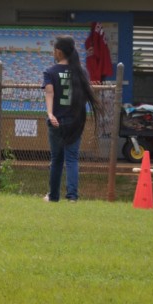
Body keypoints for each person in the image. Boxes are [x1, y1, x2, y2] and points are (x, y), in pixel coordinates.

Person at [42, 35, 103, 203]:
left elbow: (49, 92)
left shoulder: (50, 71)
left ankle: (53, 196)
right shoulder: (81, 71)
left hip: (56, 122)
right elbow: (83, 96)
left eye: (54, 50)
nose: (53, 53)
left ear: (59, 52)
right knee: (72, 159)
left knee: (56, 160)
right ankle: (72, 197)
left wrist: (50, 114)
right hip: (75, 122)